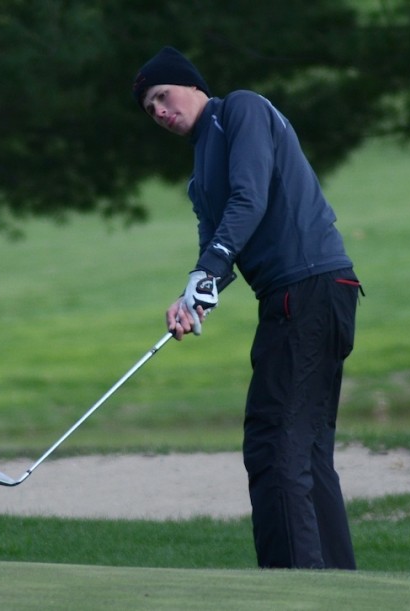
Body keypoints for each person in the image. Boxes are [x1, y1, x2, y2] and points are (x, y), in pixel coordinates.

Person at [132, 46, 362, 569]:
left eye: (162, 96)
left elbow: (250, 198)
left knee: (273, 442)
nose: (160, 112)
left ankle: (295, 589)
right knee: (304, 450)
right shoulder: (198, 176)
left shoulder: (240, 109)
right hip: (304, 295)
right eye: (150, 110)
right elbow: (218, 247)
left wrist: (209, 269)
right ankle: (341, 588)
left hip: (307, 290)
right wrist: (193, 299)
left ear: (191, 85)